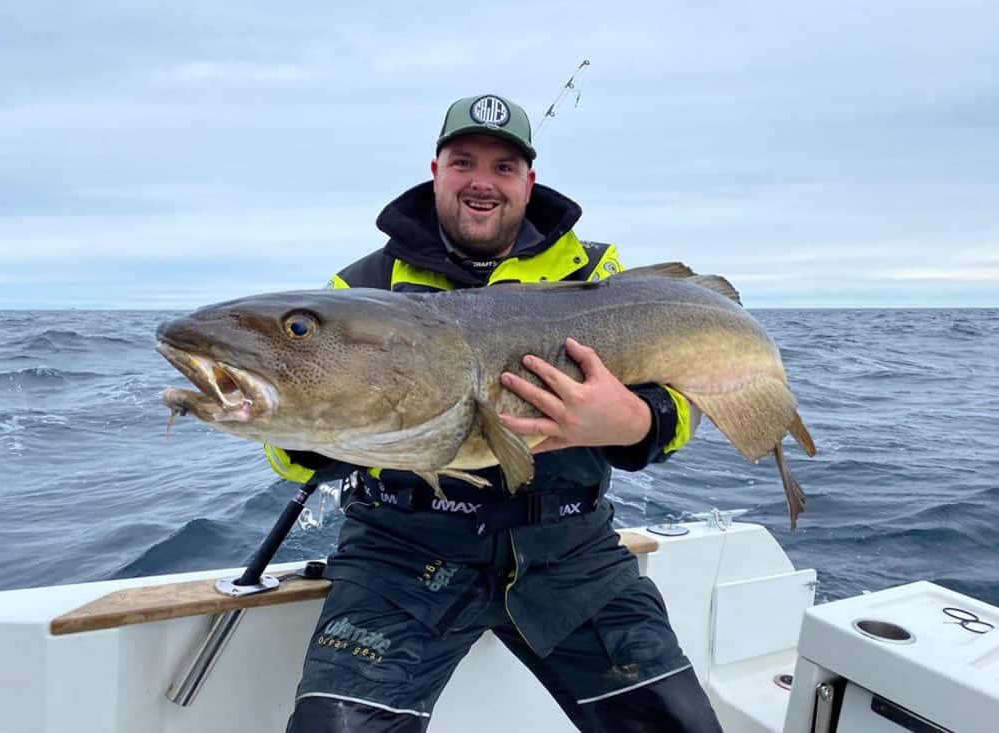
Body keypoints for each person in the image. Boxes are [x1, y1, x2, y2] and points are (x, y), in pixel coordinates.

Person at [268, 93, 723, 732]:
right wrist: (323, 420)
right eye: (464, 162)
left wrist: (636, 423)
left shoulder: (598, 272)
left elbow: (682, 398)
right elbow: (289, 457)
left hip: (571, 553)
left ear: (529, 181)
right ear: (436, 171)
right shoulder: (359, 290)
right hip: (400, 556)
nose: (482, 182)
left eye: (504, 167)